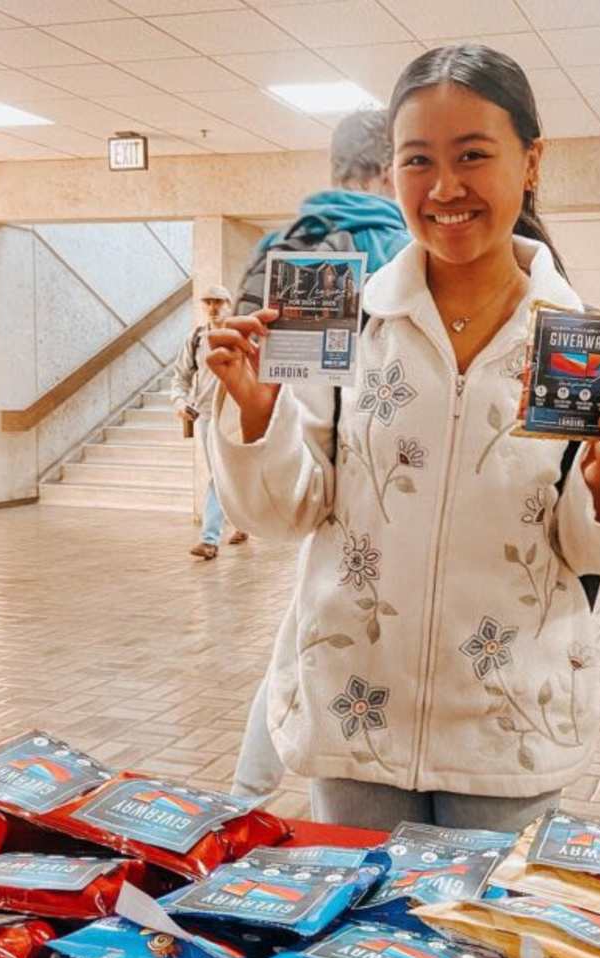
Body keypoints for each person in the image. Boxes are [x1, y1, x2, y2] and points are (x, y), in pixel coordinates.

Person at [209, 45, 600, 831]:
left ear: (531, 162)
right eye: (418, 161)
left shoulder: (574, 345)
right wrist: (255, 417)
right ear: (392, 174)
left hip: (509, 730)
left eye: (473, 156)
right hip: (356, 715)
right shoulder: (345, 318)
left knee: (479, 949)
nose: (445, 188)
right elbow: (286, 514)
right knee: (357, 950)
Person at [228, 110, 412, 805]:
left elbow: (279, 380)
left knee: (304, 638)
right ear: (392, 168)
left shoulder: (292, 247)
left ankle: (245, 796)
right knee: (325, 648)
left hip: (297, 471)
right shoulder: (402, 247)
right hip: (390, 480)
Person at [169, 285, 248, 560]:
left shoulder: (242, 336)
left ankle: (211, 538)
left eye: (219, 302)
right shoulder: (196, 338)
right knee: (222, 472)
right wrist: (180, 403)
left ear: (229, 304)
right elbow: (179, 377)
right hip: (205, 415)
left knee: (226, 473)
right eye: (208, 303)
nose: (213, 308)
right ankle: (232, 527)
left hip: (237, 417)